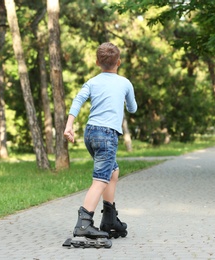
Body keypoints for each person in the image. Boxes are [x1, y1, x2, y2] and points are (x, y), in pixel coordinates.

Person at [64, 42, 138, 240]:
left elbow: (77, 100)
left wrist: (69, 125)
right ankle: (84, 223)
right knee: (100, 179)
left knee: (113, 172)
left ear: (97, 62)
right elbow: (133, 108)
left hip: (90, 134)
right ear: (119, 62)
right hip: (107, 135)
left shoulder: (92, 82)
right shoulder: (125, 83)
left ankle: (109, 219)